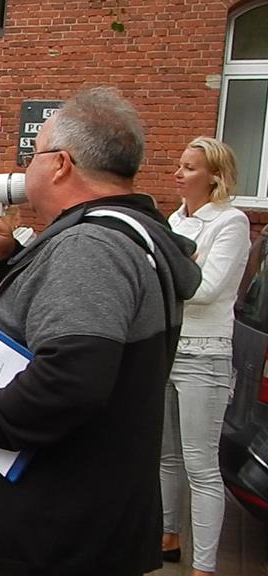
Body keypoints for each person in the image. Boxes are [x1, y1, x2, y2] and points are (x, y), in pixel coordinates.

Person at [0, 86, 202, 576]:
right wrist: (11, 261)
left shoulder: (90, 247)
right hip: (91, 520)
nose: (24, 170)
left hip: (47, 531)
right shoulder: (129, 235)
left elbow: (71, 378)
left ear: (60, 164)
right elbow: (83, 334)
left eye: (33, 155)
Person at [160, 136, 250, 576]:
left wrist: (164, 270)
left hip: (204, 353)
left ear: (215, 175)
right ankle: (168, 536)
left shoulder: (231, 222)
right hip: (168, 347)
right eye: (180, 165)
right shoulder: (174, 219)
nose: (179, 173)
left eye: (190, 167)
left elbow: (207, 288)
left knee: (201, 465)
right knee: (165, 457)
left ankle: (205, 565)